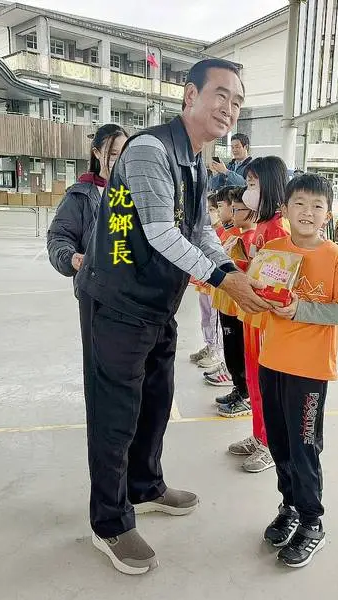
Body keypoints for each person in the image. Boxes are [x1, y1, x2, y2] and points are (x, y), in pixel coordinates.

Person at [77, 57, 271, 575]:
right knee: (115, 415)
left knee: (156, 402)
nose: (229, 108)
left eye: (237, 101)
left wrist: (231, 269)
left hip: (156, 305)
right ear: (190, 96)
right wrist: (224, 280)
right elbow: (162, 232)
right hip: (118, 303)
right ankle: (109, 522)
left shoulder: (197, 159)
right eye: (220, 95)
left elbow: (200, 229)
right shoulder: (150, 150)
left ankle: (144, 487)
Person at [259, 173, 338, 568]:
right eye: (299, 203)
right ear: (285, 209)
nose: (307, 211)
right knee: (279, 443)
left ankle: (312, 520)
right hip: (272, 362)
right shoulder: (273, 250)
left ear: (327, 214)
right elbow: (258, 293)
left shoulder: (336, 258)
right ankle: (289, 506)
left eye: (317, 205)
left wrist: (300, 309)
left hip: (310, 370)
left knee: (304, 446)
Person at [218, 155, 289, 475]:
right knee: (254, 380)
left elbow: (280, 279)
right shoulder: (262, 225)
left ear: (269, 186)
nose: (247, 191)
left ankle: (271, 443)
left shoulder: (279, 228)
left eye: (251, 184)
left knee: (267, 384)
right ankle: (260, 435)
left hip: (267, 318)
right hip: (251, 314)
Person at [47, 123, 127, 295]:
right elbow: (59, 237)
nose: (120, 160)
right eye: (113, 154)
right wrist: (70, 257)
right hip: (96, 291)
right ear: (96, 153)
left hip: (133, 292)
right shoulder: (79, 196)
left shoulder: (137, 192)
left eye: (125, 153)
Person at [208, 186, 255, 410]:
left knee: (238, 350)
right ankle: (238, 387)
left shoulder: (251, 239)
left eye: (238, 209)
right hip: (226, 301)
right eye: (233, 208)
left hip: (238, 306)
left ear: (252, 212)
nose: (233, 213)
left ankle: (244, 393)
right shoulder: (234, 235)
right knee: (230, 349)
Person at [189, 192, 227, 371]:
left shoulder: (223, 232)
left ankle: (216, 351)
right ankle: (209, 344)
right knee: (205, 317)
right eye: (209, 209)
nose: (211, 213)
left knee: (214, 318)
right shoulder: (203, 231)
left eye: (214, 209)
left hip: (215, 286)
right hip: (203, 284)